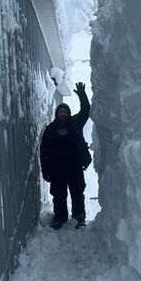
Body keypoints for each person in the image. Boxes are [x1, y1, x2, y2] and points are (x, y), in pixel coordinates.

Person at [39, 82, 92, 229]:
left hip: (75, 166)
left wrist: (82, 95)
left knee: (77, 193)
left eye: (65, 112)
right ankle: (60, 217)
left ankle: (79, 217)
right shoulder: (50, 130)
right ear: (57, 114)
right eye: (60, 112)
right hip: (57, 169)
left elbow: (86, 110)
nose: (63, 114)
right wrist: (45, 170)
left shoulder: (75, 123)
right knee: (59, 195)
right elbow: (43, 152)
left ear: (68, 113)